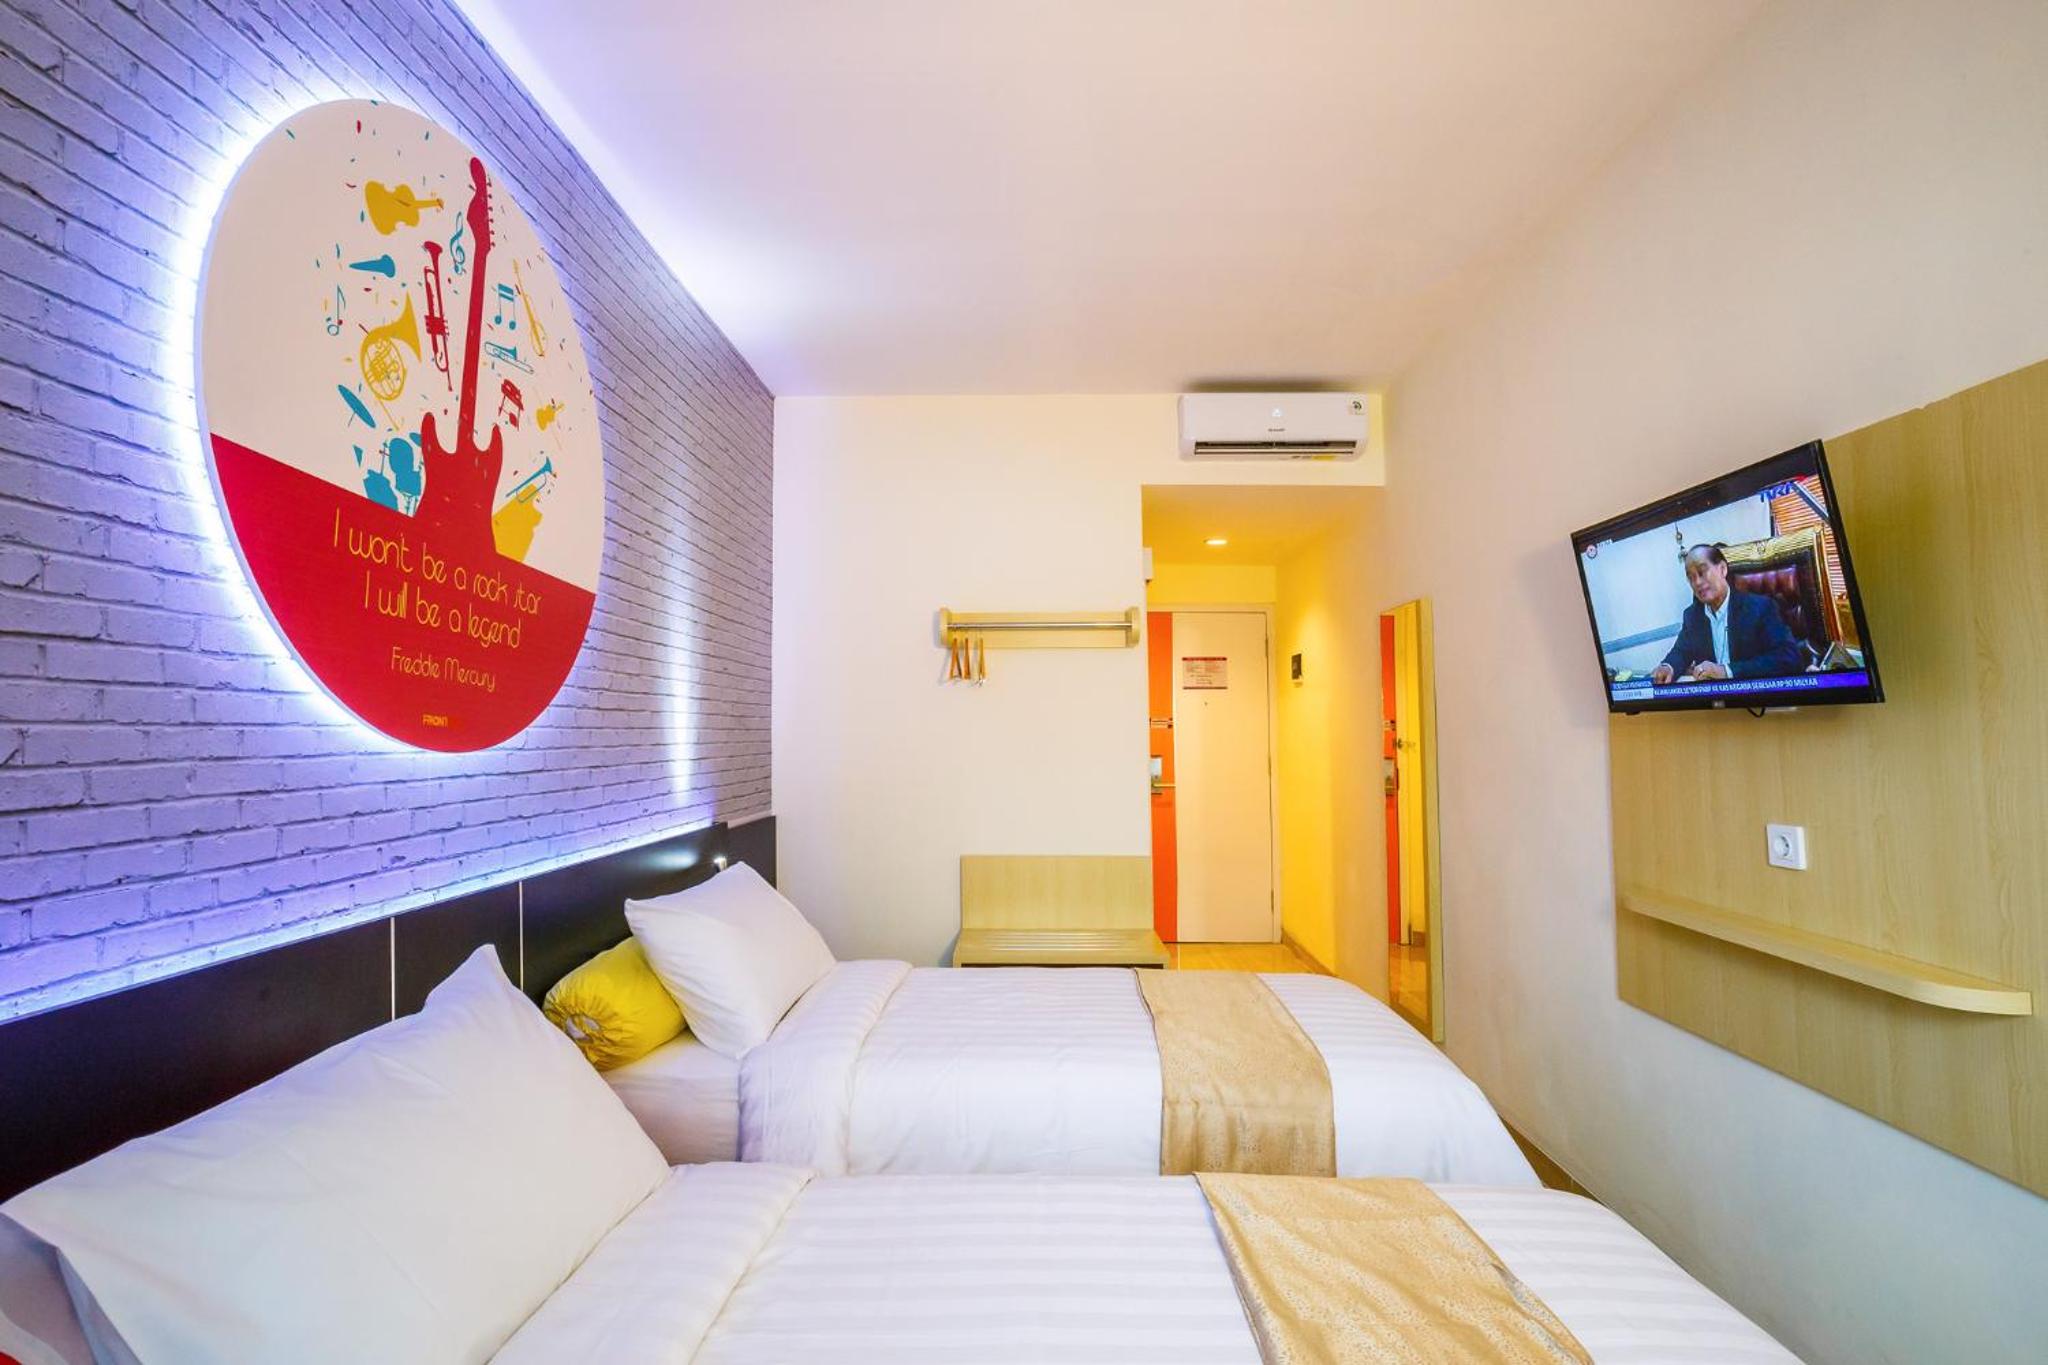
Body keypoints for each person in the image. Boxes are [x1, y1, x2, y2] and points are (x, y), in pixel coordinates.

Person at [1651, 544, 1806, 684]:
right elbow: (1681, 652)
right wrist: (1668, 667)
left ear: (1723, 569)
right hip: (1712, 700)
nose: (1697, 582)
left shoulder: (1760, 607)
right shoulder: (1693, 616)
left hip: (1754, 697)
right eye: (1691, 578)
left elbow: (1788, 657)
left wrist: (1727, 671)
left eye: (1702, 572)